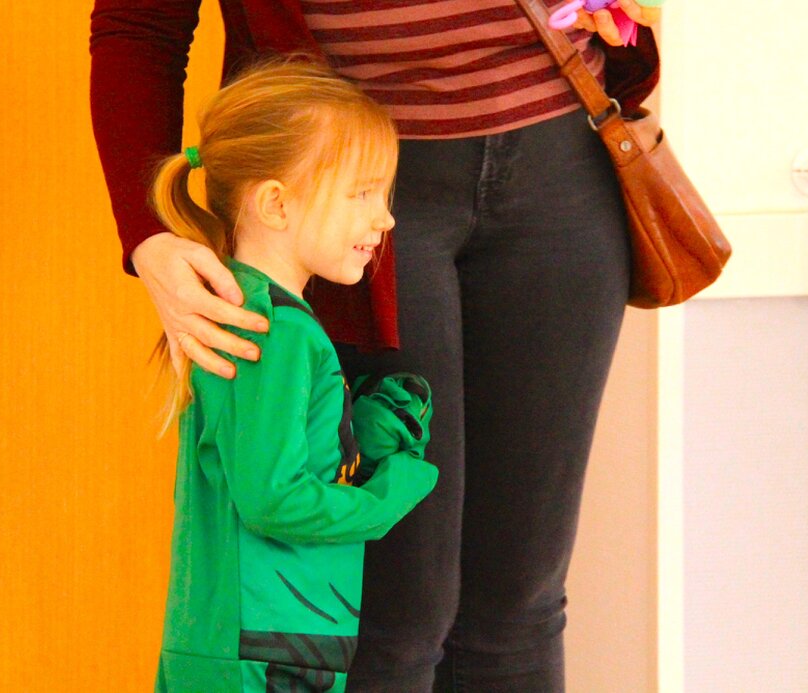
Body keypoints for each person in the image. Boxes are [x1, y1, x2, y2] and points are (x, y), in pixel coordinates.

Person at [90, 1, 661, 690]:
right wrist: (148, 231)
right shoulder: (312, 267)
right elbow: (139, 25)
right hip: (334, 173)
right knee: (396, 613)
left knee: (521, 602)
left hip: (562, 153)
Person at [148, 59, 439, 692]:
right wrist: (392, 490)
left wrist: (363, 430)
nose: (385, 218)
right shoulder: (275, 331)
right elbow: (273, 498)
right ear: (276, 204)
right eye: (362, 193)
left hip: (254, 639)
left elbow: (274, 461)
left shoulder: (251, 311)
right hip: (264, 649)